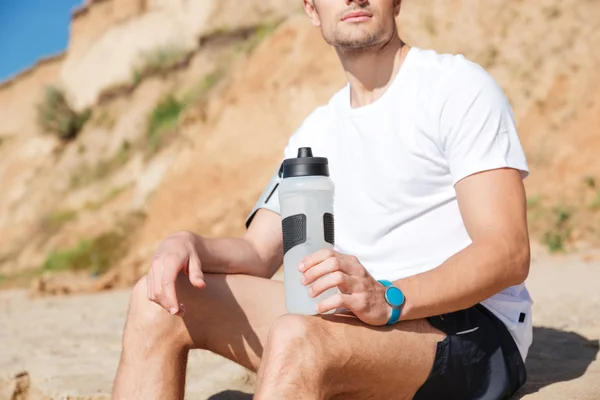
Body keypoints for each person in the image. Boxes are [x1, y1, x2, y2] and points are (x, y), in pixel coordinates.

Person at [112, 0, 533, 398]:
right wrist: (188, 243)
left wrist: (387, 297)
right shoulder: (316, 131)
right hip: (356, 318)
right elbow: (258, 252)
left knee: (298, 336)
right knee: (158, 300)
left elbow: (507, 252)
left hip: (468, 328)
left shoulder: (456, 87)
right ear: (312, 9)